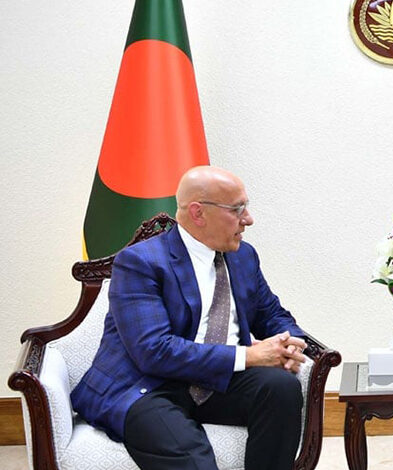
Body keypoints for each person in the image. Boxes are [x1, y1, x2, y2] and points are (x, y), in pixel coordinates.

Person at [71, 166, 308, 470]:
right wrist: (249, 355)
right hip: (149, 384)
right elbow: (153, 351)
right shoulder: (140, 263)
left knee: (281, 388)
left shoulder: (243, 256)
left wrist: (290, 342)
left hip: (219, 380)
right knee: (192, 458)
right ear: (198, 213)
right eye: (237, 209)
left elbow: (271, 314)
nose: (248, 219)